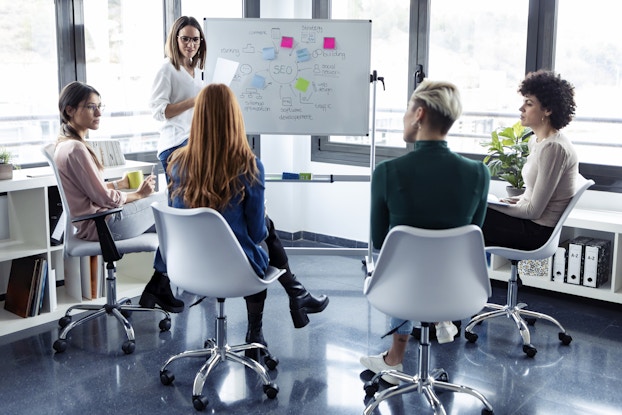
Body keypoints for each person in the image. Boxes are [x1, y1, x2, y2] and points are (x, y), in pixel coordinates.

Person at [166, 84, 328, 361]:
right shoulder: (248, 165)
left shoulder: (177, 162)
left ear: (199, 116)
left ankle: (295, 297)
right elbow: (256, 233)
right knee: (261, 244)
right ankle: (257, 331)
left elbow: (177, 216)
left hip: (189, 267)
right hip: (237, 270)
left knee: (258, 242)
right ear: (234, 116)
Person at [360, 80, 490, 385]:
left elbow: (380, 241)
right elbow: (475, 234)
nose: (405, 117)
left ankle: (394, 359)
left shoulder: (388, 173)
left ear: (419, 114)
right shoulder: (478, 173)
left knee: (403, 267)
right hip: (458, 291)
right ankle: (440, 320)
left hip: (403, 291)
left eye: (407, 110)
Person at [54, 81, 184, 313]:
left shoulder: (65, 145)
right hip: (103, 225)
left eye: (100, 106)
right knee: (171, 198)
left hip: (92, 224)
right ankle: (162, 283)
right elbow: (105, 199)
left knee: (165, 224)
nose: (99, 113)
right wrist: (137, 194)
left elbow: (88, 188)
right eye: (91, 107)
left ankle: (160, 283)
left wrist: (121, 184)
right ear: (70, 110)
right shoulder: (76, 149)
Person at [483, 70, 580, 250]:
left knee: (469, 215)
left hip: (536, 231)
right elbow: (534, 194)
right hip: (529, 224)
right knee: (467, 218)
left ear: (548, 109)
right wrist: (509, 201)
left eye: (529, 103)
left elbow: (533, 211)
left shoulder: (554, 148)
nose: (521, 109)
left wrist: (487, 205)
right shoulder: (536, 141)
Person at [149, 16, 206, 179]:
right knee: (184, 202)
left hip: (196, 141)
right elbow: (159, 112)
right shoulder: (167, 69)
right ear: (176, 39)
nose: (191, 44)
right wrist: (193, 101)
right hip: (176, 143)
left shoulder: (199, 69)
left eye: (195, 39)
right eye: (185, 39)